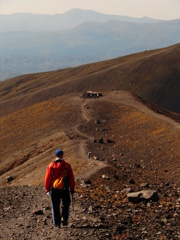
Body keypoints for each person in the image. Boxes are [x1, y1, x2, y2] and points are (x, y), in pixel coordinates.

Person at [45, 149, 75, 228]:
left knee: (55, 205)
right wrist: (72, 188)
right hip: (65, 188)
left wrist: (48, 189)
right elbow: (71, 177)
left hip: (55, 189)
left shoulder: (51, 165)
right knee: (66, 204)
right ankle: (65, 219)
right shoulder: (67, 165)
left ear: (55, 156)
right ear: (62, 155)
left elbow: (47, 178)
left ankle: (57, 223)